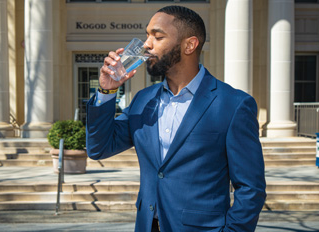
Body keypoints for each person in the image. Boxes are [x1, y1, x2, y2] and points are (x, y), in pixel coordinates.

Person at [86, 5, 266, 232]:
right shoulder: (143, 100)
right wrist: (106, 92)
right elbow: (98, 148)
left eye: (157, 36)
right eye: (147, 35)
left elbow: (251, 188)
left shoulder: (233, 105)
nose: (146, 44)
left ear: (190, 45)